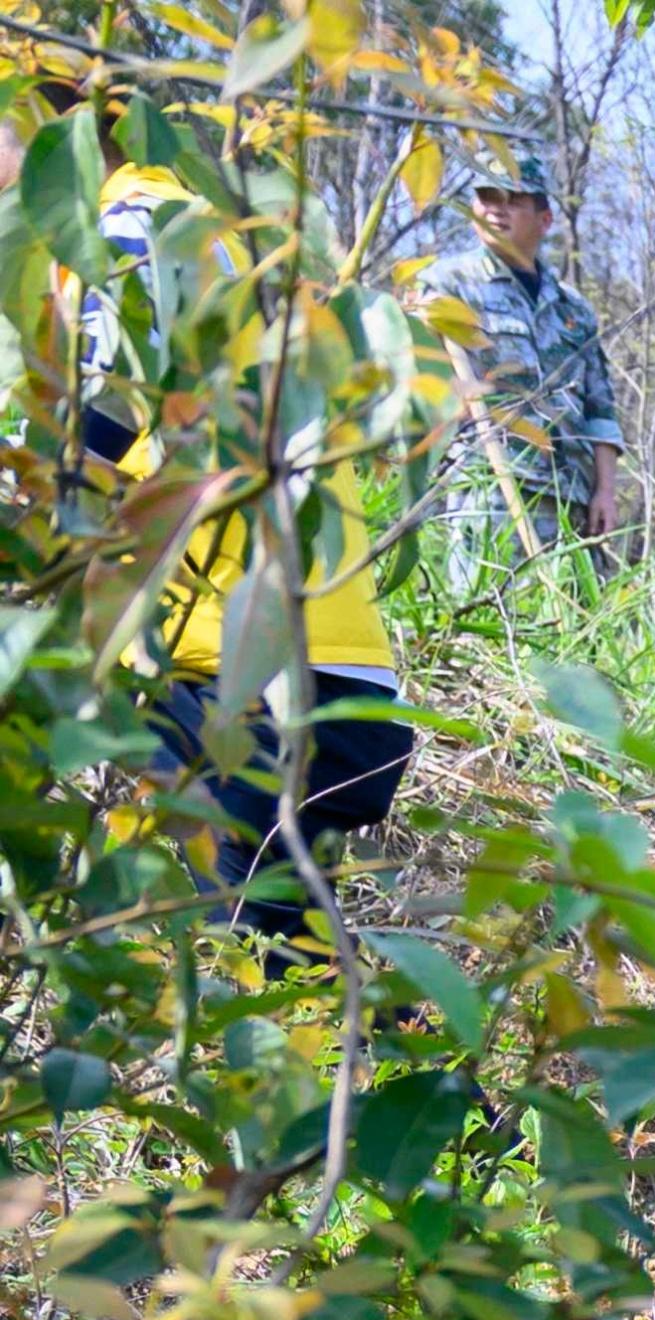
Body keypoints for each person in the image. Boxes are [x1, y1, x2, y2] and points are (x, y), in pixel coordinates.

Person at [90, 157, 405, 942]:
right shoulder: (215, 241)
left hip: (256, 688)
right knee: (283, 960)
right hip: (324, 677)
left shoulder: (135, 228)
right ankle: (403, 1052)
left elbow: (91, 436)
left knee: (249, 967)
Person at [422, 149, 620, 560]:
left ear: (544, 220)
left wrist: (604, 491)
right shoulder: (446, 286)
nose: (497, 210)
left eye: (513, 200)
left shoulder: (573, 309)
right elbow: (421, 382)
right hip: (491, 488)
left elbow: (601, 410)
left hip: (572, 501)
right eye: (488, 198)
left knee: (571, 620)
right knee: (491, 617)